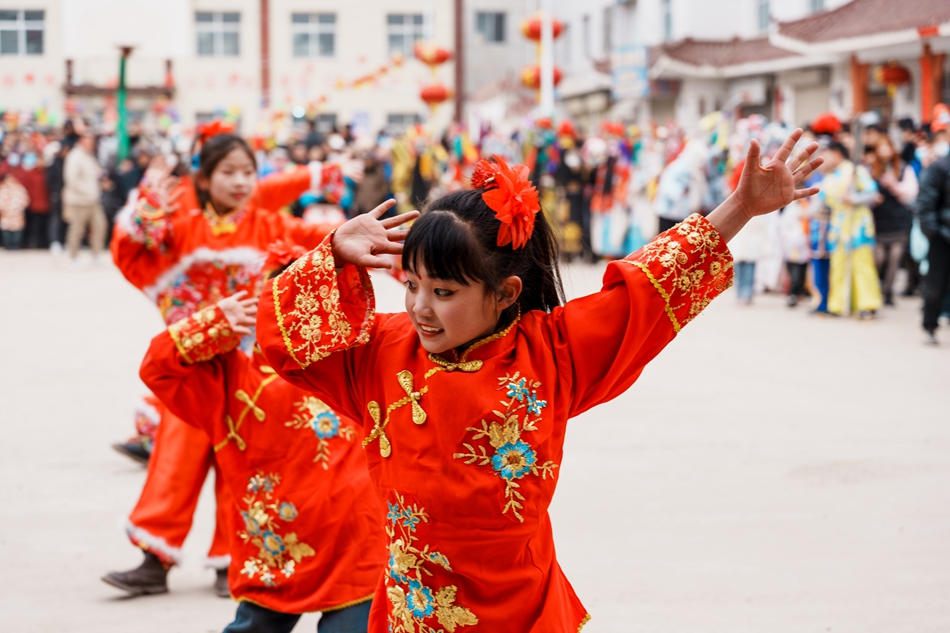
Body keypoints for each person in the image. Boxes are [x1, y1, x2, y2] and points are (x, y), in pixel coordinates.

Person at [257, 131, 822, 631]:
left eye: (445, 292)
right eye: (412, 285)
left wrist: (741, 208)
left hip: (523, 610)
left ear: (505, 293)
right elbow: (283, 343)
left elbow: (651, 288)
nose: (421, 308)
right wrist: (329, 254)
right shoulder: (380, 352)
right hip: (415, 613)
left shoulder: (551, 352)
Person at [105, 133, 338, 597]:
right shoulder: (182, 225)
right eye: (227, 172)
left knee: (244, 460)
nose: (239, 181)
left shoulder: (270, 223)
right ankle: (156, 557)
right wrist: (145, 210)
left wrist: (370, 238)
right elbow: (131, 247)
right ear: (205, 179)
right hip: (192, 362)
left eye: (247, 172)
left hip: (250, 367)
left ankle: (231, 560)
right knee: (174, 459)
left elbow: (322, 241)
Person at [133, 275, 385, 631]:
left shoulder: (355, 362)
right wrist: (215, 321)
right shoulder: (230, 377)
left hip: (358, 551)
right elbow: (158, 367)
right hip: (275, 552)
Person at [817, 142, 882, 317]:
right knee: (838, 266)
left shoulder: (856, 171)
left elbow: (872, 193)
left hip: (857, 224)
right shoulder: (829, 177)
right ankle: (837, 305)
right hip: (838, 226)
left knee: (862, 264)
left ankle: (868, 305)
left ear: (836, 153)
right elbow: (821, 202)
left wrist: (853, 198)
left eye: (826, 154)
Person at [868, 136, 917, 306]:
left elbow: (911, 193)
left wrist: (894, 186)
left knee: (895, 257)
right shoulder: (872, 170)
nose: (883, 151)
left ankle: (888, 291)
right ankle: (876, 289)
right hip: (878, 220)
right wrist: (872, 198)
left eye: (886, 147)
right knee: (879, 258)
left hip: (898, 219)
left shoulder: (903, 168)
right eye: (880, 148)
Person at [917, 152, 950, 344]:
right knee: (936, 285)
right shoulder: (940, 167)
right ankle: (930, 325)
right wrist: (935, 233)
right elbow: (926, 203)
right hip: (942, 237)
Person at [63, 131, 107, 260]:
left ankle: (96, 253)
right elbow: (72, 179)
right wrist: (87, 192)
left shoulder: (90, 156)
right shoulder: (75, 156)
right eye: (88, 141)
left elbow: (96, 174)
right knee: (77, 229)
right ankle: (73, 256)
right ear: (81, 141)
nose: (91, 144)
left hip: (93, 200)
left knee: (100, 226)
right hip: (79, 200)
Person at [0, 170, 30, 249]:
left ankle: (16, 244)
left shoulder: (19, 187)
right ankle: (7, 244)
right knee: (6, 230)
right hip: (5, 214)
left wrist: (19, 207)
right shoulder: (2, 189)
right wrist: (4, 208)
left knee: (17, 231)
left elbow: (25, 199)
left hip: (17, 213)